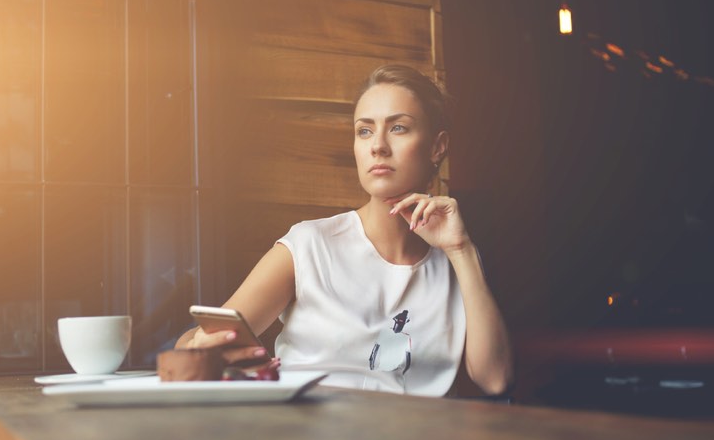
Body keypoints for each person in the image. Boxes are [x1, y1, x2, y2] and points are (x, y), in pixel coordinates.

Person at [176, 64, 513, 396]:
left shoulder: (456, 259)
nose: (377, 146)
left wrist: (461, 251)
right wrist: (199, 348)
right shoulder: (310, 245)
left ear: (438, 147)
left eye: (398, 128)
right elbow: (196, 343)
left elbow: (495, 379)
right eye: (364, 131)